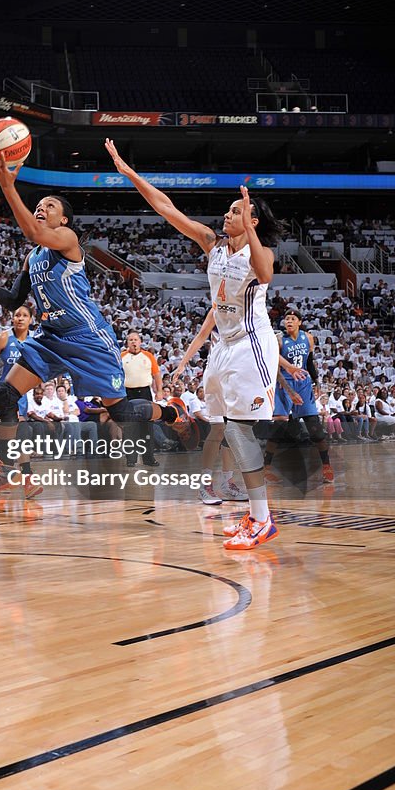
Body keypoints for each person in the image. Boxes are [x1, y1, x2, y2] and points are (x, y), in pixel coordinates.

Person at [106, 139, 283, 550]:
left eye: (236, 210)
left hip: (251, 346)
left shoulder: (263, 253)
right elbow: (167, 208)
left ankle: (262, 519)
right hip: (222, 347)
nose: (227, 213)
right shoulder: (212, 243)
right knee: (222, 428)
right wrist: (130, 173)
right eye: (229, 209)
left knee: (240, 431)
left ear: (253, 222)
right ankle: (253, 515)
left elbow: (265, 274)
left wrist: (253, 229)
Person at [0, 158, 180, 497]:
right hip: (50, 337)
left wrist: (7, 185)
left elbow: (35, 232)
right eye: (38, 205)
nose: (41, 208)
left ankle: (170, 411)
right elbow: (13, 300)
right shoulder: (32, 256)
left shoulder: (67, 238)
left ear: (62, 219)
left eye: (48, 206)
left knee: (120, 411)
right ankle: (6, 468)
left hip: (87, 337)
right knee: (4, 394)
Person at [175, 307, 247, 505]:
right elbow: (201, 336)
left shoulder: (250, 311)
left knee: (233, 432)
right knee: (217, 430)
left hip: (237, 376)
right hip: (216, 374)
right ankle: (205, 485)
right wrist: (183, 363)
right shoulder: (217, 309)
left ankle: (227, 482)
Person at [263, 308, 334, 484]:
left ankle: (326, 467)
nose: (288, 321)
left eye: (292, 318)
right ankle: (265, 468)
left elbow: (309, 362)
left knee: (315, 429)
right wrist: (289, 390)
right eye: (286, 318)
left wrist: (317, 383)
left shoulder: (308, 338)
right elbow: (274, 368)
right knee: (278, 426)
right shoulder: (279, 340)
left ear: (299, 322)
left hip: (303, 384)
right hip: (283, 383)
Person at [120, 331, 161, 467]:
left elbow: (156, 374)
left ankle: (149, 459)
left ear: (140, 342)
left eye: (135, 339)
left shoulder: (148, 356)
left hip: (145, 393)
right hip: (128, 394)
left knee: (147, 427)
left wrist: (159, 390)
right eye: (130, 340)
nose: (133, 342)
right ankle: (131, 459)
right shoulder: (122, 357)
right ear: (127, 343)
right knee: (130, 427)